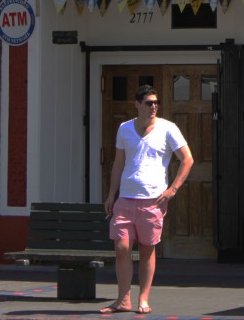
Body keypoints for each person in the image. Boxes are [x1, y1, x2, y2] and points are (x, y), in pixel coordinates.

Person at [101, 85, 194, 314]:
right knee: (122, 247)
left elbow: (187, 159)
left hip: (153, 200)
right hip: (125, 198)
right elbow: (118, 163)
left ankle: (143, 299)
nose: (154, 106)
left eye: (156, 103)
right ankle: (123, 299)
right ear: (137, 104)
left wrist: (172, 190)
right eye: (149, 103)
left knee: (147, 250)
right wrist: (111, 194)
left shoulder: (168, 128)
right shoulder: (124, 128)